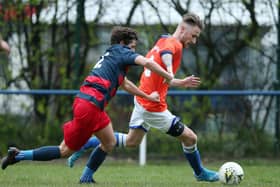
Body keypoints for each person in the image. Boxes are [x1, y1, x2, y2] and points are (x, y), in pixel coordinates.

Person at [0, 26, 174, 184]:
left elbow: (126, 84)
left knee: (108, 142)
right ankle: (25, 157)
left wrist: (148, 97)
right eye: (133, 47)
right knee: (66, 151)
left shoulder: (112, 56)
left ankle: (22, 156)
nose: (134, 51)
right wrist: (168, 75)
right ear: (122, 43)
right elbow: (148, 63)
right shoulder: (121, 52)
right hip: (91, 105)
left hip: (87, 103)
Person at [68, 13, 219, 182]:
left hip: (143, 99)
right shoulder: (173, 43)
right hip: (153, 106)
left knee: (132, 141)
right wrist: (170, 70)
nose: (194, 40)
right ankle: (200, 173)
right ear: (183, 29)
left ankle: (88, 153)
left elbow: (161, 74)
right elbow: (167, 54)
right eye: (194, 36)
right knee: (190, 138)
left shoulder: (163, 39)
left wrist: (179, 82)